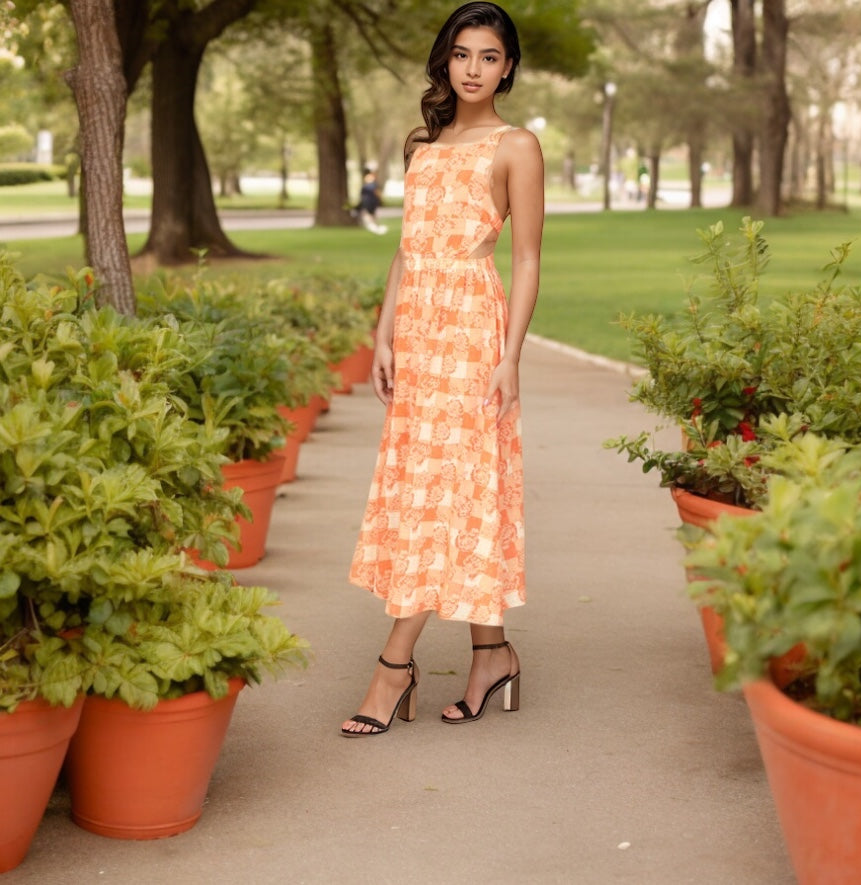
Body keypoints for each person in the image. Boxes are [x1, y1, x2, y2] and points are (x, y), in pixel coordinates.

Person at [341, 1, 544, 737]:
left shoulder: (516, 146)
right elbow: (405, 249)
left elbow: (524, 259)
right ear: (444, 60)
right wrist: (384, 333)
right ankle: (491, 654)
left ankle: (394, 666)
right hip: (417, 335)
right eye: (462, 54)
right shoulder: (423, 144)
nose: (472, 69)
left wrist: (509, 357)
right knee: (426, 486)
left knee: (452, 487)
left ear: (508, 67)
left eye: (488, 56)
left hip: (469, 334)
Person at [356, 168, 387, 235]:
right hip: (370, 200)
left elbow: (376, 192)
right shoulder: (371, 182)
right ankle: (374, 226)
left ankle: (374, 226)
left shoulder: (369, 182)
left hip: (370, 201)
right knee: (370, 214)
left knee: (370, 214)